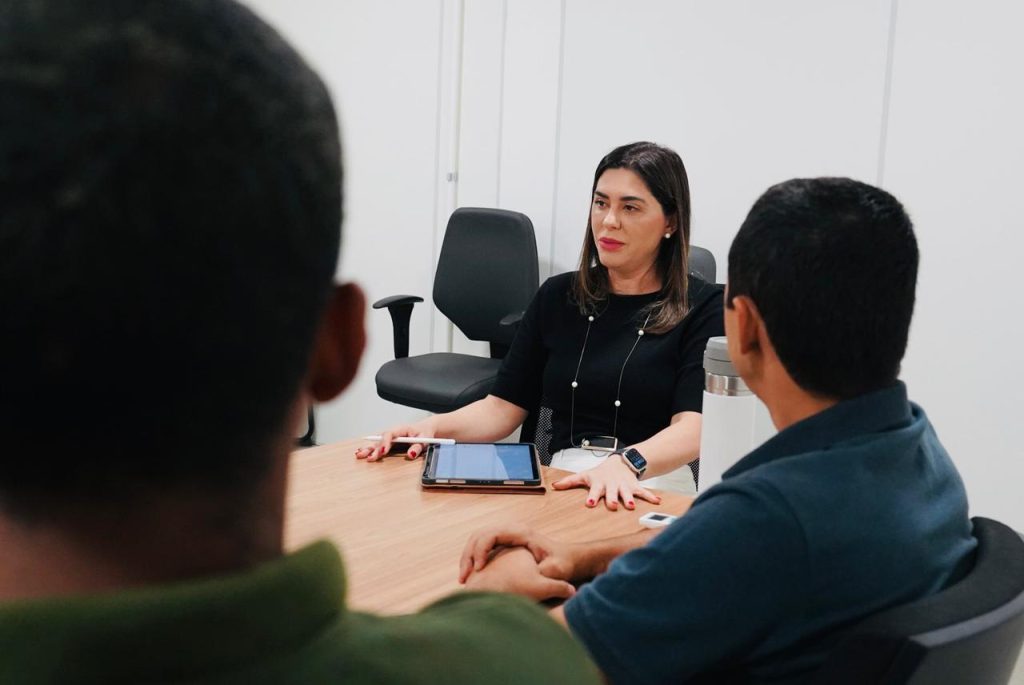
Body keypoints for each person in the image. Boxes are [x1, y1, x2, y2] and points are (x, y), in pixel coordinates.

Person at [0, 2, 601, 683]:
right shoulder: (526, 664)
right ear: (339, 345)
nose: (609, 221)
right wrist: (495, 619)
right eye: (602, 203)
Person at [457, 177, 978, 683]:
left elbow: (538, 663)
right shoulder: (918, 452)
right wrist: (582, 555)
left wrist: (490, 593)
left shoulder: (771, 516)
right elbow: (706, 552)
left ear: (742, 326)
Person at [358, 142, 725, 507]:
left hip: (652, 480)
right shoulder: (558, 296)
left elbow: (693, 427)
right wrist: (430, 429)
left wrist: (626, 463)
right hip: (566, 477)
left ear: (670, 221)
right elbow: (501, 409)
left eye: (630, 207)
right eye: (601, 203)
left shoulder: (704, 307)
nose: (609, 221)